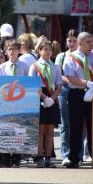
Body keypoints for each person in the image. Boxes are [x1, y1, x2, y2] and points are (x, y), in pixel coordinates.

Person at [62, 32, 93, 168]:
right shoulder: (70, 57)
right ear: (80, 43)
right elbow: (71, 78)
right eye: (88, 42)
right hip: (77, 94)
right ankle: (74, 158)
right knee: (75, 127)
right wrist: (88, 84)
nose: (92, 44)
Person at [29, 40, 62, 168]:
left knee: (50, 130)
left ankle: (48, 157)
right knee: (40, 130)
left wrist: (52, 99)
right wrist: (44, 98)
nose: (48, 52)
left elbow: (59, 86)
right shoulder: (34, 66)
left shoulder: (55, 67)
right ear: (39, 51)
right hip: (39, 96)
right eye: (45, 49)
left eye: (50, 50)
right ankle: (38, 157)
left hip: (52, 97)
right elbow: (33, 85)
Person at [0, 39, 29, 168]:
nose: (12, 52)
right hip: (6, 100)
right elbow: (0, 84)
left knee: (18, 128)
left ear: (18, 50)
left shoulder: (24, 66)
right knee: (6, 128)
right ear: (6, 51)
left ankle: (16, 158)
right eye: (9, 49)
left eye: (14, 49)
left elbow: (27, 83)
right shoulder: (3, 66)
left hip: (20, 100)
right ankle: (5, 157)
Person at [54, 29, 79, 167]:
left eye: (74, 40)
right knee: (65, 124)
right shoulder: (61, 56)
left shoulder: (81, 55)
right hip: (65, 91)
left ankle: (78, 154)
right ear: (66, 42)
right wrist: (70, 80)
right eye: (69, 40)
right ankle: (65, 154)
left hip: (79, 91)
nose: (72, 43)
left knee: (78, 124)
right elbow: (59, 75)